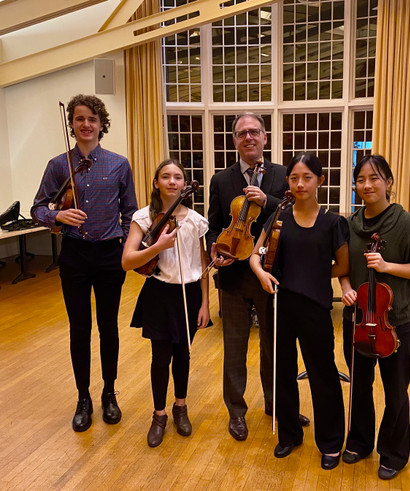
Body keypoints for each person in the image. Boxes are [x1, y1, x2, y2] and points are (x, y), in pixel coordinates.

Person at [32, 94, 137, 432]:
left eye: (92, 118)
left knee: (108, 327)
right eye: (79, 119)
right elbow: (38, 208)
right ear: (72, 124)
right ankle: (83, 398)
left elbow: (131, 211)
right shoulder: (58, 164)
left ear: (101, 123)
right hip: (74, 255)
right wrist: (57, 214)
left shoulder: (119, 163)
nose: (86, 124)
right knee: (79, 329)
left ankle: (109, 392)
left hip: (109, 255)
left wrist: (122, 244)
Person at [206, 113, 309, 441]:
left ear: (265, 137)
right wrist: (214, 249)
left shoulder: (283, 175)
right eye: (241, 133)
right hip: (234, 276)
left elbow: (298, 213)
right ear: (234, 141)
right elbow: (212, 224)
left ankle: (276, 404)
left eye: (254, 132)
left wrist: (269, 201)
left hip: (271, 274)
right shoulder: (221, 180)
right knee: (234, 347)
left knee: (274, 346)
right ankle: (236, 412)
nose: (248, 137)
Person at [339, 154, 410, 480]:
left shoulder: (408, 225)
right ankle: (360, 441)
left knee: (396, 389)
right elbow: (343, 267)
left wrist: (387, 267)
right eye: (361, 179)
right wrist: (347, 286)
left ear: (389, 183)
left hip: (393, 322)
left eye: (374, 178)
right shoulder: (351, 225)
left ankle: (393, 452)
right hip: (356, 319)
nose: (367, 185)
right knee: (360, 386)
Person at [250, 153, 348, 470]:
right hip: (280, 305)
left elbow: (343, 265)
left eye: (307, 177)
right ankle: (289, 434)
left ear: (320, 181)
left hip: (316, 307)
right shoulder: (278, 214)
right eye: (294, 177)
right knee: (281, 372)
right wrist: (262, 274)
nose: (300, 183)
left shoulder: (334, 222)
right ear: (288, 182)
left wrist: (314, 272)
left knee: (323, 376)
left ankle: (331, 442)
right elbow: (255, 256)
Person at [122, 159, 210, 447]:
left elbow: (202, 263)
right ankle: (159, 414)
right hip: (159, 293)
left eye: (178, 177)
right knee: (160, 358)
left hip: (190, 293)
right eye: (166, 176)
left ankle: (180, 406)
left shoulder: (196, 220)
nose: (172, 182)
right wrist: (159, 246)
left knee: (183, 355)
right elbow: (127, 261)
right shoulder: (144, 217)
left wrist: (205, 304)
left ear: (185, 184)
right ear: (156, 182)